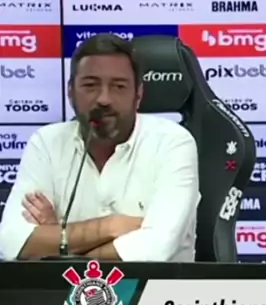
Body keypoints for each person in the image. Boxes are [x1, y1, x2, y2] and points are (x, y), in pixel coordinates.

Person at [0, 33, 199, 262]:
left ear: (138, 94)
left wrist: (58, 245)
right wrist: (111, 226)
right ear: (70, 92)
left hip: (154, 285)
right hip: (66, 287)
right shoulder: (47, 143)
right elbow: (11, 242)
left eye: (119, 86)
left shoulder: (172, 142)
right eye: (91, 85)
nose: (104, 99)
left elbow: (155, 249)